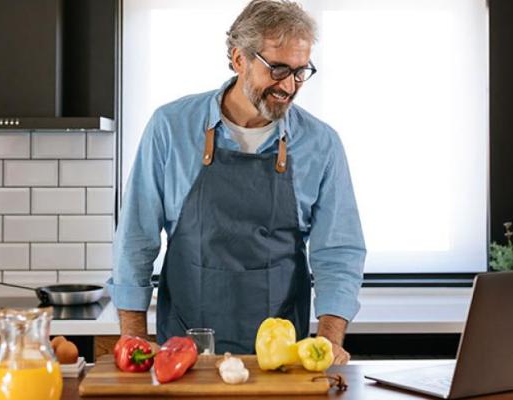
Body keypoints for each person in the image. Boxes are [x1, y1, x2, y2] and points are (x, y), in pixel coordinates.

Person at [111, 0, 365, 364]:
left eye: (300, 72)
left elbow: (338, 253)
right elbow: (136, 237)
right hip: (185, 353)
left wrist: (327, 340)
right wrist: (134, 337)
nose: (289, 86)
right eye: (278, 69)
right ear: (238, 59)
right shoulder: (170, 127)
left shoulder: (321, 143)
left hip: (281, 356)